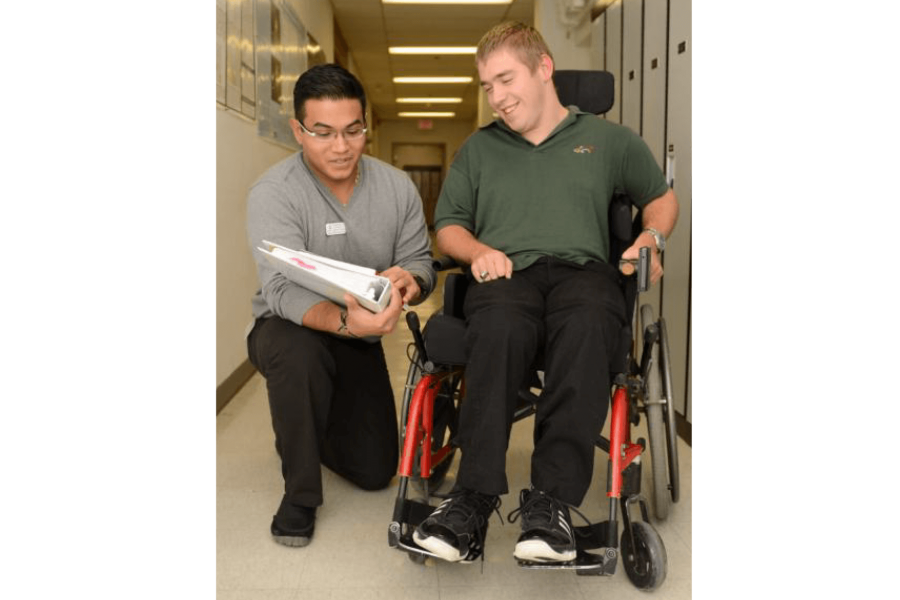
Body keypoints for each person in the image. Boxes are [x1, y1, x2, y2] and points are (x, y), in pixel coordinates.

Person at [413, 22, 678, 564]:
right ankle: (471, 498)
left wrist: (650, 236)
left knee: (588, 322)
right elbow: (449, 226)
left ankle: (550, 507)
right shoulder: (480, 148)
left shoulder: (610, 141)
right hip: (507, 277)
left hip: (585, 276)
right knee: (499, 323)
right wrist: (476, 251)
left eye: (505, 79)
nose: (497, 97)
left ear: (544, 68)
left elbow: (660, 198)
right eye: (487, 86)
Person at [245, 63, 436, 547]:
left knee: (375, 472)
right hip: (288, 328)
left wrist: (409, 282)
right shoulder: (274, 192)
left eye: (353, 131)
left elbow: (420, 260)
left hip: (358, 334)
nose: (341, 147)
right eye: (323, 133)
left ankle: (303, 426)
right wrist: (346, 321)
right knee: (300, 356)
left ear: (365, 125)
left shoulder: (396, 187)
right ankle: (300, 495)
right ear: (298, 130)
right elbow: (282, 290)